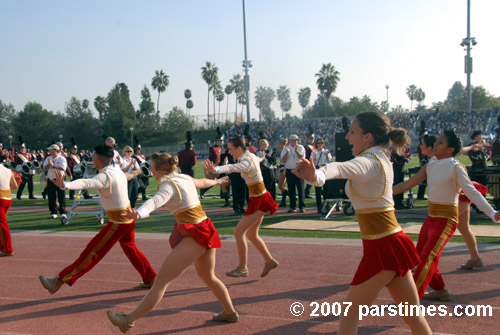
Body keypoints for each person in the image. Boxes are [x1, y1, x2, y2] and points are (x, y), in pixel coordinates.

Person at [293, 112, 431, 334]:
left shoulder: (370, 161)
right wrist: (317, 175)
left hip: (383, 248)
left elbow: (339, 168)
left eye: (352, 132)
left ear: (367, 136)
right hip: (390, 243)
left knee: (349, 315)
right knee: (412, 317)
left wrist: (317, 175)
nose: (347, 137)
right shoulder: (379, 158)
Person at [106, 152, 238, 333]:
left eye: (152, 169)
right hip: (204, 228)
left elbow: (155, 201)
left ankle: (128, 320)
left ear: (160, 171)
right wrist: (218, 182)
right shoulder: (183, 177)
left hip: (196, 234)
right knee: (209, 277)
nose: (151, 172)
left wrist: (139, 212)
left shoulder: (169, 184)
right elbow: (201, 183)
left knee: (160, 282)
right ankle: (230, 313)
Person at [393, 129, 500, 301]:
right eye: (437, 141)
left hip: (446, 221)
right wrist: (380, 195)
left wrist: (493, 214)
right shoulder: (430, 165)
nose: (436, 144)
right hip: (431, 218)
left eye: (441, 142)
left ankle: (411, 298)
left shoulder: (456, 167)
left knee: (427, 257)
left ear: (450, 149)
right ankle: (441, 291)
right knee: (420, 257)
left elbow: (472, 192)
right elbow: (408, 184)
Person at [39, 144, 156, 294]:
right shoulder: (116, 171)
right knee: (131, 250)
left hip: (119, 222)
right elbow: (126, 176)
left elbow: (88, 183)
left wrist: (66, 185)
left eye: (93, 157)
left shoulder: (105, 176)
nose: (92, 159)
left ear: (98, 160)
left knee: (92, 252)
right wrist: (134, 173)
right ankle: (150, 278)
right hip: (126, 219)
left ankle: (59, 281)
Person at [205, 135, 279, 278]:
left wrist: (216, 169)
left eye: (231, 149)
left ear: (239, 148)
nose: (230, 152)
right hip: (258, 198)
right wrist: (261, 158)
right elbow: (254, 160)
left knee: (239, 233)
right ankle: (269, 261)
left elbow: (235, 167)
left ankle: (243, 268)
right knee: (251, 234)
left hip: (260, 200)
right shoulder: (250, 155)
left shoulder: (246, 160)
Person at [419, 133, 485, 271]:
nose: (420, 147)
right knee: (463, 227)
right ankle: (475, 258)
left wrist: (472, 146)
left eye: (423, 144)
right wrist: (472, 146)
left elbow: (457, 150)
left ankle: (426, 261)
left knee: (443, 226)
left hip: (458, 194)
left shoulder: (441, 160)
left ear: (430, 147)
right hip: (458, 194)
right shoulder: (435, 161)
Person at [281, 134, 306, 213]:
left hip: (299, 170)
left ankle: (302, 206)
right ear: (290, 140)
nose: (296, 142)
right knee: (291, 189)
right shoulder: (286, 148)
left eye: (296, 140)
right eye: (294, 140)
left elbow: (302, 158)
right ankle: (293, 206)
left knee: (300, 189)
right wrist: (287, 152)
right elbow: (283, 160)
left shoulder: (300, 147)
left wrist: (296, 151)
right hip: (289, 170)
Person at [0, 153, 19, 256]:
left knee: (3, 225)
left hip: (0, 198)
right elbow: (15, 185)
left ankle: (7, 249)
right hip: (8, 198)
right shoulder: (8, 170)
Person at [43, 144, 68, 219]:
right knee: (51, 196)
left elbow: (63, 168)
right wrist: (49, 164)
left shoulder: (62, 158)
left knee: (61, 195)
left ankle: (63, 212)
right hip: (51, 179)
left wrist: (53, 165)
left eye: (51, 149)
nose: (49, 151)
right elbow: (44, 168)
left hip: (59, 179)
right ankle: (53, 212)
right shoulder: (48, 158)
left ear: (55, 150)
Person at [310, 138, 331, 213]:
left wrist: (328, 156)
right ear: (316, 144)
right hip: (317, 169)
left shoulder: (326, 151)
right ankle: (319, 207)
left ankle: (326, 206)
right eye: (319, 143)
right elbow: (312, 162)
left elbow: (329, 161)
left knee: (326, 189)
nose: (320, 144)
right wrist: (315, 155)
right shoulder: (314, 152)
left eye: (321, 143)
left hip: (324, 169)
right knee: (318, 189)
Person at [200, 130, 223, 198]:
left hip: (220, 167)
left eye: (221, 141)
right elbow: (210, 159)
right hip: (214, 168)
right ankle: (203, 190)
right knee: (213, 182)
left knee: (222, 181)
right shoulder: (212, 148)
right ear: (216, 141)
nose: (220, 142)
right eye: (219, 141)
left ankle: (223, 195)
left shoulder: (220, 148)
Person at [276, 138, 289, 207]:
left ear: (281, 143)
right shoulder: (284, 150)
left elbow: (286, 160)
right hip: (283, 168)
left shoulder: (285, 150)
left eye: (279, 143)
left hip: (284, 169)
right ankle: (283, 202)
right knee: (283, 186)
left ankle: (290, 195)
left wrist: (285, 169)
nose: (278, 144)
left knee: (280, 186)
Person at [304, 134, 316, 198]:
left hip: (314, 164)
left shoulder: (314, 147)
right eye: (310, 139)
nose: (311, 140)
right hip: (308, 164)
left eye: (312, 139)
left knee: (311, 179)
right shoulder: (306, 147)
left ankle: (306, 192)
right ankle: (305, 192)